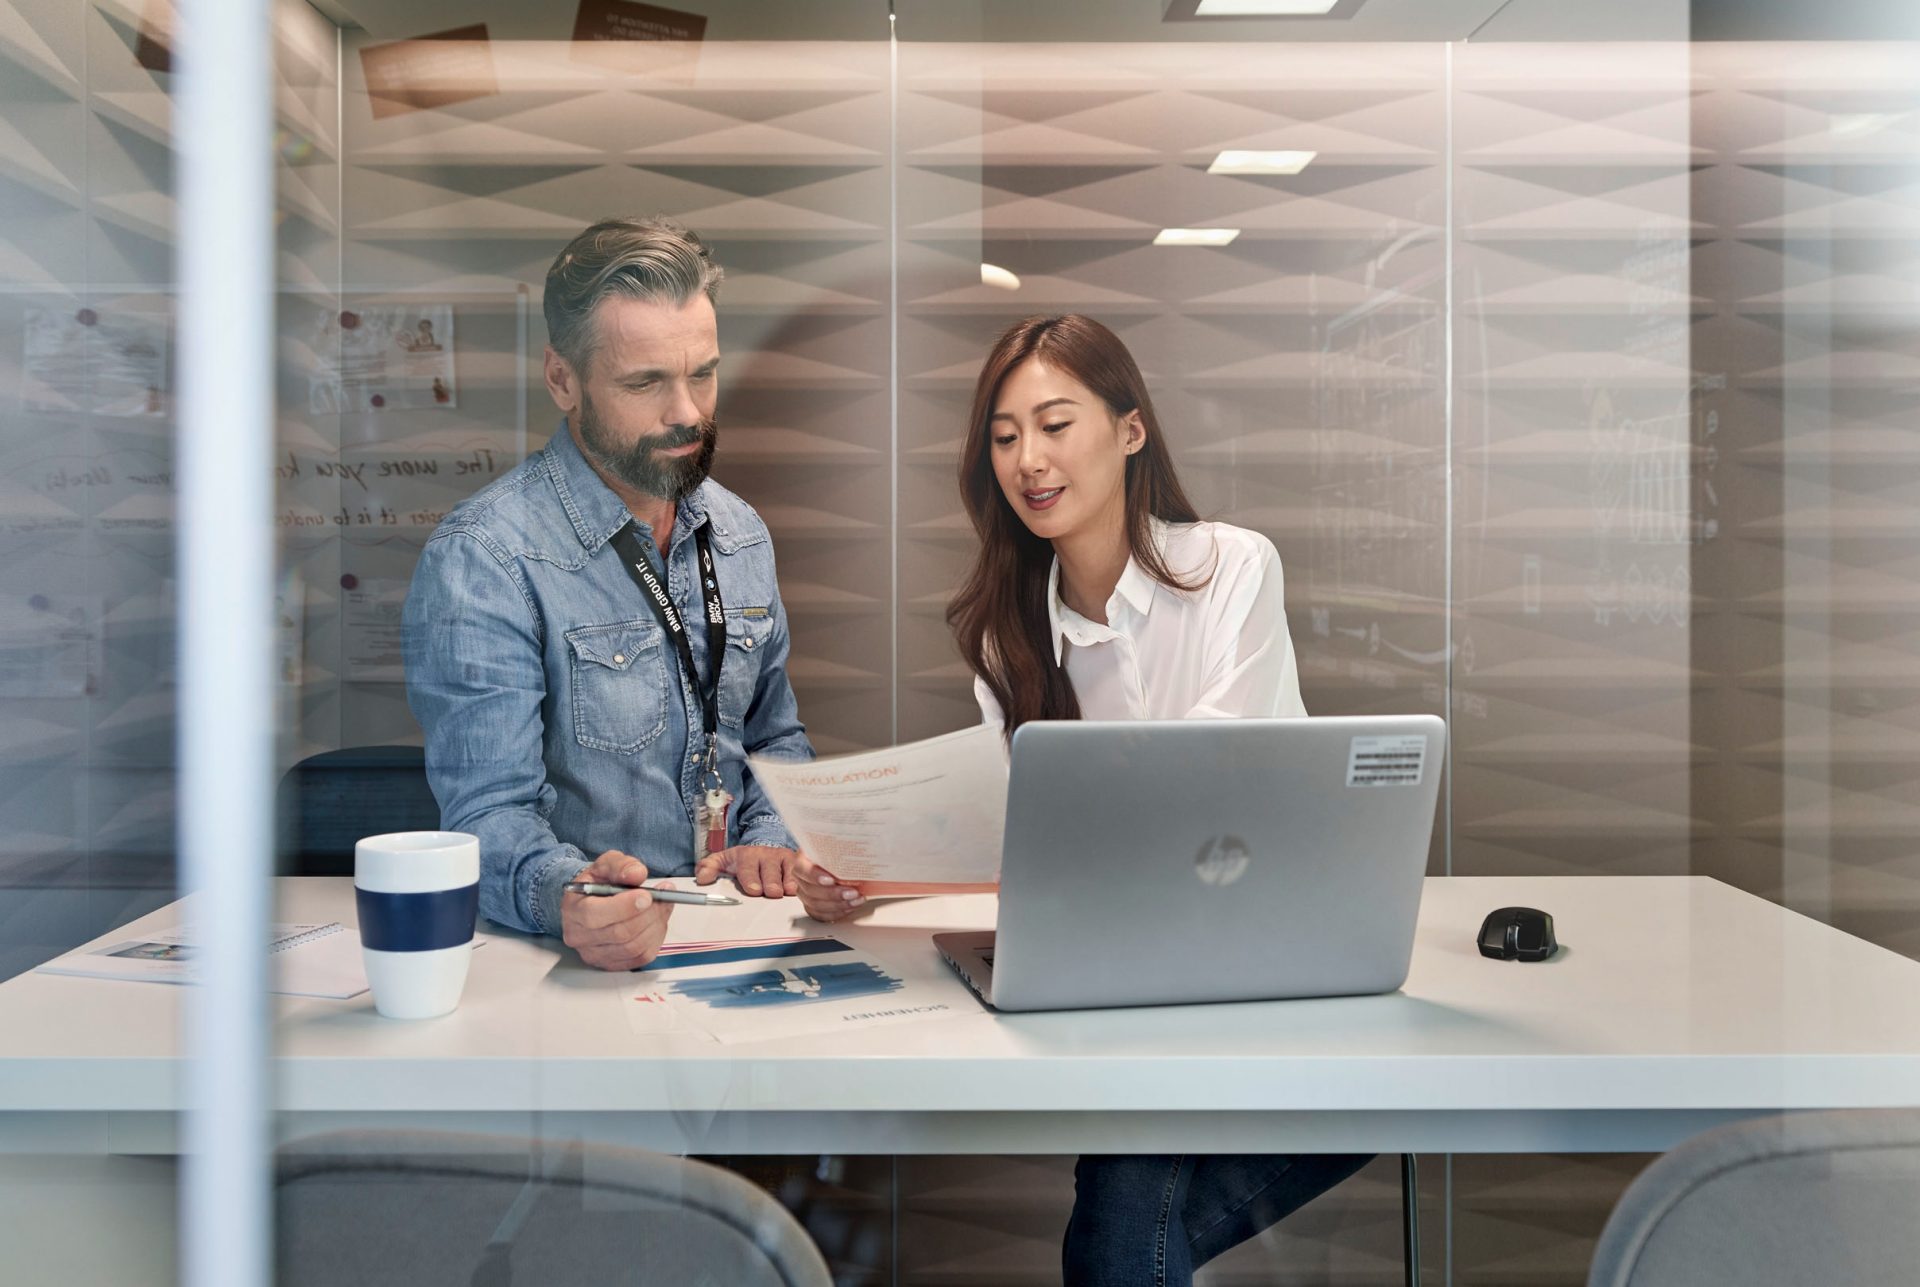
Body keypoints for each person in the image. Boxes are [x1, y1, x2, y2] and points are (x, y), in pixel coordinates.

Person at [798, 314, 1370, 1285]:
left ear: (1130, 430)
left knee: (1115, 1236)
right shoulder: (1004, 634)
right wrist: (874, 878)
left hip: (1267, 971)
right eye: (1006, 435)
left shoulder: (1230, 568)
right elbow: (1013, 845)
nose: (1030, 459)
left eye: (1056, 424)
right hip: (1119, 989)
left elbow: (1212, 807)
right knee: (1119, 1240)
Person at [403, 216, 814, 971]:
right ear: (563, 378)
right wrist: (569, 895)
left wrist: (769, 838)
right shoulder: (484, 557)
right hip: (573, 963)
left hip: (739, 943)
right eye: (646, 382)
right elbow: (486, 816)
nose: (686, 411)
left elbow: (775, 739)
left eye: (703, 373)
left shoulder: (742, 533)